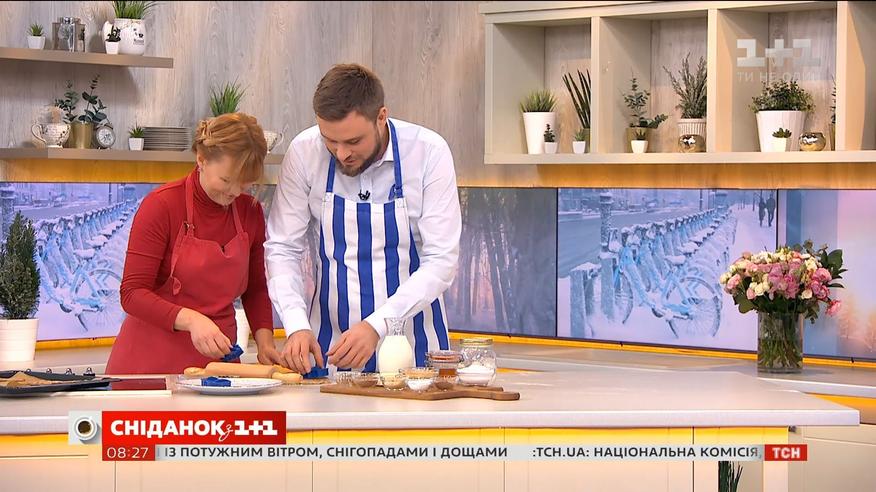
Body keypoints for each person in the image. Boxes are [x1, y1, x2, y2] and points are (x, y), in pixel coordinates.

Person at [265, 63, 462, 374]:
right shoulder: (304, 152)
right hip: (329, 354)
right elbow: (282, 248)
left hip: (416, 355)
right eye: (330, 141)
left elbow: (441, 261)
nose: (341, 153)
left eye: (353, 142)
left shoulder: (428, 152)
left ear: (381, 117)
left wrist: (377, 325)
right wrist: (296, 324)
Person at [106, 113, 282, 374]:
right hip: (150, 366)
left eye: (245, 183)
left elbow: (255, 288)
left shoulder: (250, 211)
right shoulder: (162, 205)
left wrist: (265, 342)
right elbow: (132, 293)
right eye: (226, 180)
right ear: (201, 159)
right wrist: (191, 320)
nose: (235, 192)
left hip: (219, 368)